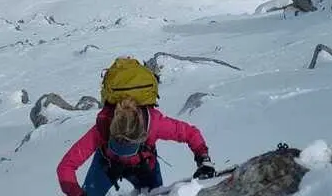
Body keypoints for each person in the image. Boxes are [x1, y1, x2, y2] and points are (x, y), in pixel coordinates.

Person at [57, 58, 217, 196]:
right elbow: (65, 167)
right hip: (109, 165)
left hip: (143, 166)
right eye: (118, 146)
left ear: (143, 136)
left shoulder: (155, 123)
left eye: (128, 148)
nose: (124, 154)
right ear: (111, 131)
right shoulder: (102, 127)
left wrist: (204, 159)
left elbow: (190, 133)